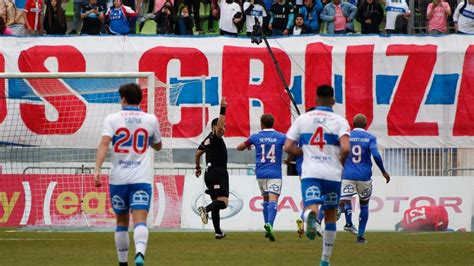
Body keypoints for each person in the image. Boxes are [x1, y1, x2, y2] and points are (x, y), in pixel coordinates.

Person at [94, 83, 163, 266]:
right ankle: (139, 254)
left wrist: (97, 168)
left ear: (123, 98)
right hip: (141, 178)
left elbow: (104, 143)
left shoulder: (112, 119)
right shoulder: (150, 119)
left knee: (122, 221)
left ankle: (123, 262)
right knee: (140, 220)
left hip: (118, 179)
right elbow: (158, 145)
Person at [284, 85, 350, 266]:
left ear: (315, 99)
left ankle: (309, 219)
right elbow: (345, 147)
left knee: (310, 206)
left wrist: (304, 152)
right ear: (333, 100)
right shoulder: (340, 121)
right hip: (332, 174)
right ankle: (325, 260)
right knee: (330, 215)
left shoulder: (303, 119)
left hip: (311, 172)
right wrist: (340, 162)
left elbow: (288, 147)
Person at [338, 113, 390, 244]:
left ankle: (341, 211)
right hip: (364, 177)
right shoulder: (370, 138)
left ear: (352, 124)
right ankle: (360, 237)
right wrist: (383, 171)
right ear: (366, 125)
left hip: (348, 175)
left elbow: (340, 153)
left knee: (345, 199)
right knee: (364, 205)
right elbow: (376, 155)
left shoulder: (346, 137)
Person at [236, 114, 286, 241]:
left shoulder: (256, 137)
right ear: (273, 123)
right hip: (274, 174)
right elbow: (291, 146)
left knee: (265, 199)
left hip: (261, 174)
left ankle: (266, 228)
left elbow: (239, 147)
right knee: (273, 200)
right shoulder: (281, 137)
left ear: (261, 124)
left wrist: (249, 145)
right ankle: (270, 224)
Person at [195, 97, 229, 239]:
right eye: (222, 126)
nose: (224, 129)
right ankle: (205, 210)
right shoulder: (215, 136)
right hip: (218, 172)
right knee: (223, 203)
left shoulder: (207, 139)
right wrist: (223, 109)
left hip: (208, 173)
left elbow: (197, 153)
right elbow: (220, 126)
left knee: (216, 201)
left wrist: (197, 167)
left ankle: (218, 231)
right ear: (215, 128)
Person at [394, 205, 466, 232]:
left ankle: (456, 230)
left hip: (440, 220)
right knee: (433, 226)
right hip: (439, 209)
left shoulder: (409, 227)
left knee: (436, 229)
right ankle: (456, 230)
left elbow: (425, 228)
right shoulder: (407, 212)